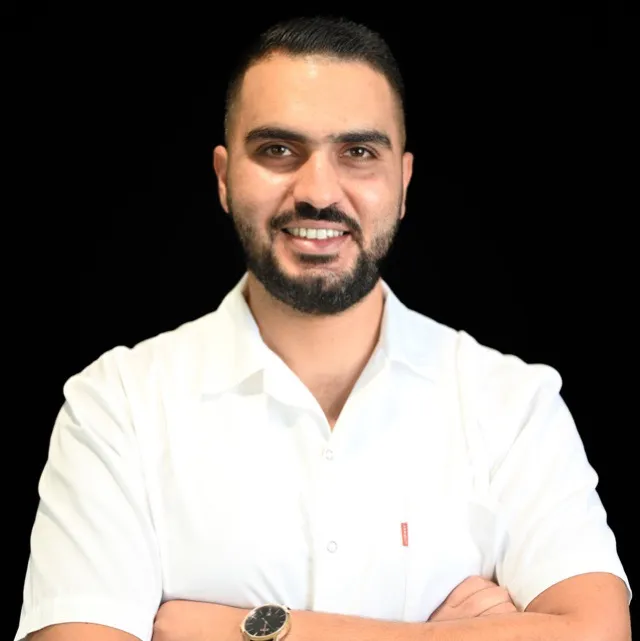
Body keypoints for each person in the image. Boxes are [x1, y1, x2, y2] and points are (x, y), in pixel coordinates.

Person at [15, 15, 631, 641]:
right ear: (224, 178)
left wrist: (251, 630)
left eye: (358, 153)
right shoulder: (117, 407)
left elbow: (598, 634)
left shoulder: (513, 405)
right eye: (278, 150)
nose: (318, 192)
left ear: (403, 182)